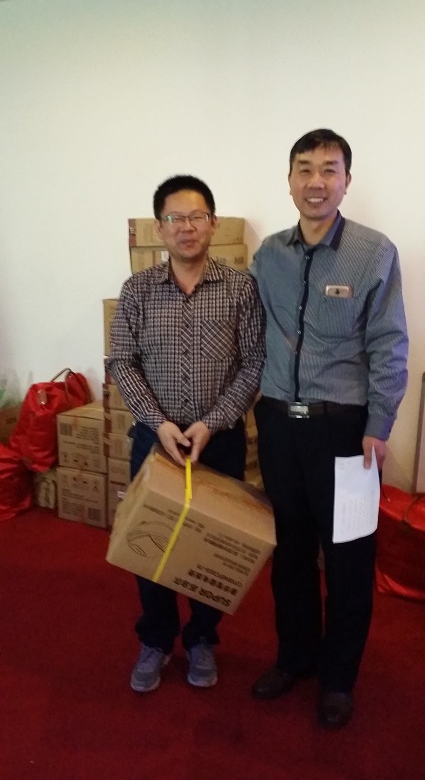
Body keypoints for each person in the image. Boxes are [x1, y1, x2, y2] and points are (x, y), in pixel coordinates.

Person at [249, 128, 408, 729]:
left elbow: (390, 343)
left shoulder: (374, 252)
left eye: (329, 169)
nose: (315, 182)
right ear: (289, 180)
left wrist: (379, 423)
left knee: (347, 558)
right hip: (279, 426)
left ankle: (338, 678)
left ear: (346, 180)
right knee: (290, 552)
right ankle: (295, 658)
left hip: (344, 431)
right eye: (304, 169)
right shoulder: (269, 255)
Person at [108, 174, 265, 693]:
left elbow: (253, 363)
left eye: (197, 216)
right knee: (150, 543)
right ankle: (155, 639)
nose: (187, 227)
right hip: (155, 441)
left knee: (211, 545)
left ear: (213, 224)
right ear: (160, 228)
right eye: (175, 218)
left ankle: (201, 638)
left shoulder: (240, 288)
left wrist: (211, 422)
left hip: (217, 440)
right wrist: (160, 423)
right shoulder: (137, 291)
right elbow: (122, 362)